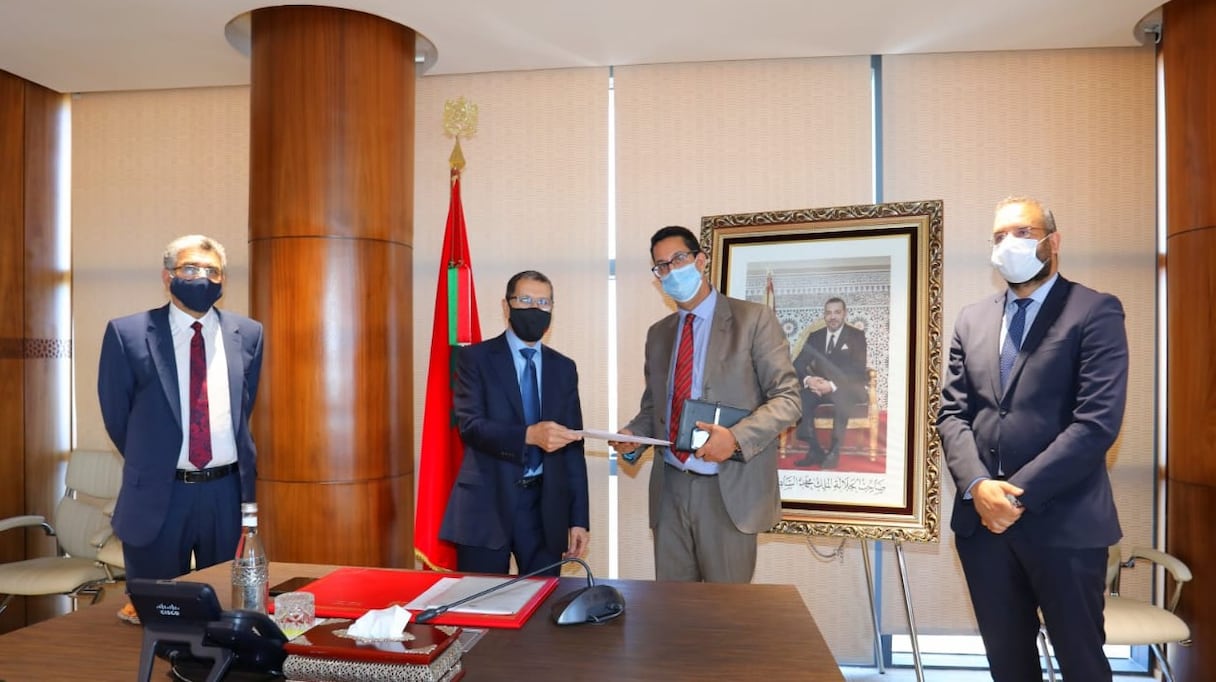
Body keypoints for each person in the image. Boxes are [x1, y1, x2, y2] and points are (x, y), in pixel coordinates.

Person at [937, 197, 1128, 681]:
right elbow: (952, 414)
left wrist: (1014, 497)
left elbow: (1096, 424)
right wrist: (979, 487)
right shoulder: (971, 319)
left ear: (1052, 241)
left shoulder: (1095, 311)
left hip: (1064, 526)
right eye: (999, 236)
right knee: (1009, 666)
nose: (1008, 245)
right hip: (983, 530)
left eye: (1021, 232)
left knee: (1082, 664)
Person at [610, 225, 800, 583]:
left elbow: (788, 399)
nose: (670, 271)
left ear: (700, 261)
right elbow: (654, 409)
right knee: (674, 614)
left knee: (727, 619)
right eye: (661, 266)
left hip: (727, 491)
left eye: (678, 259)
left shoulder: (753, 320)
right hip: (670, 490)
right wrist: (633, 434)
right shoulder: (659, 334)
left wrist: (736, 438)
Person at [98, 234, 264, 624]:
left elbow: (244, 408)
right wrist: (155, 457)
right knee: (159, 611)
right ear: (167, 276)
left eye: (212, 271)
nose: (201, 277)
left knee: (228, 609)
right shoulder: (128, 333)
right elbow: (116, 415)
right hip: (160, 491)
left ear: (223, 281)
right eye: (190, 268)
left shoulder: (250, 333)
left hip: (227, 494)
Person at [439, 271, 589, 576]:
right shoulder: (475, 359)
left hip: (545, 509)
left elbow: (574, 446)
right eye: (525, 300)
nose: (535, 308)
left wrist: (579, 519)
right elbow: (470, 426)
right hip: (486, 504)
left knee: (543, 607)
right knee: (479, 605)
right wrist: (528, 435)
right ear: (506, 307)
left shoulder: (563, 368)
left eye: (543, 302)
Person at [792, 297, 868, 469]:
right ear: (824, 315)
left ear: (844, 314)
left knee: (843, 396)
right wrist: (809, 380)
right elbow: (797, 365)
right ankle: (814, 449)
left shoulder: (856, 336)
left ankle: (834, 450)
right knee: (801, 397)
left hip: (847, 387)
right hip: (819, 388)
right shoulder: (815, 337)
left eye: (837, 312)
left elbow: (857, 370)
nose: (832, 317)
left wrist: (832, 385)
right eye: (828, 313)